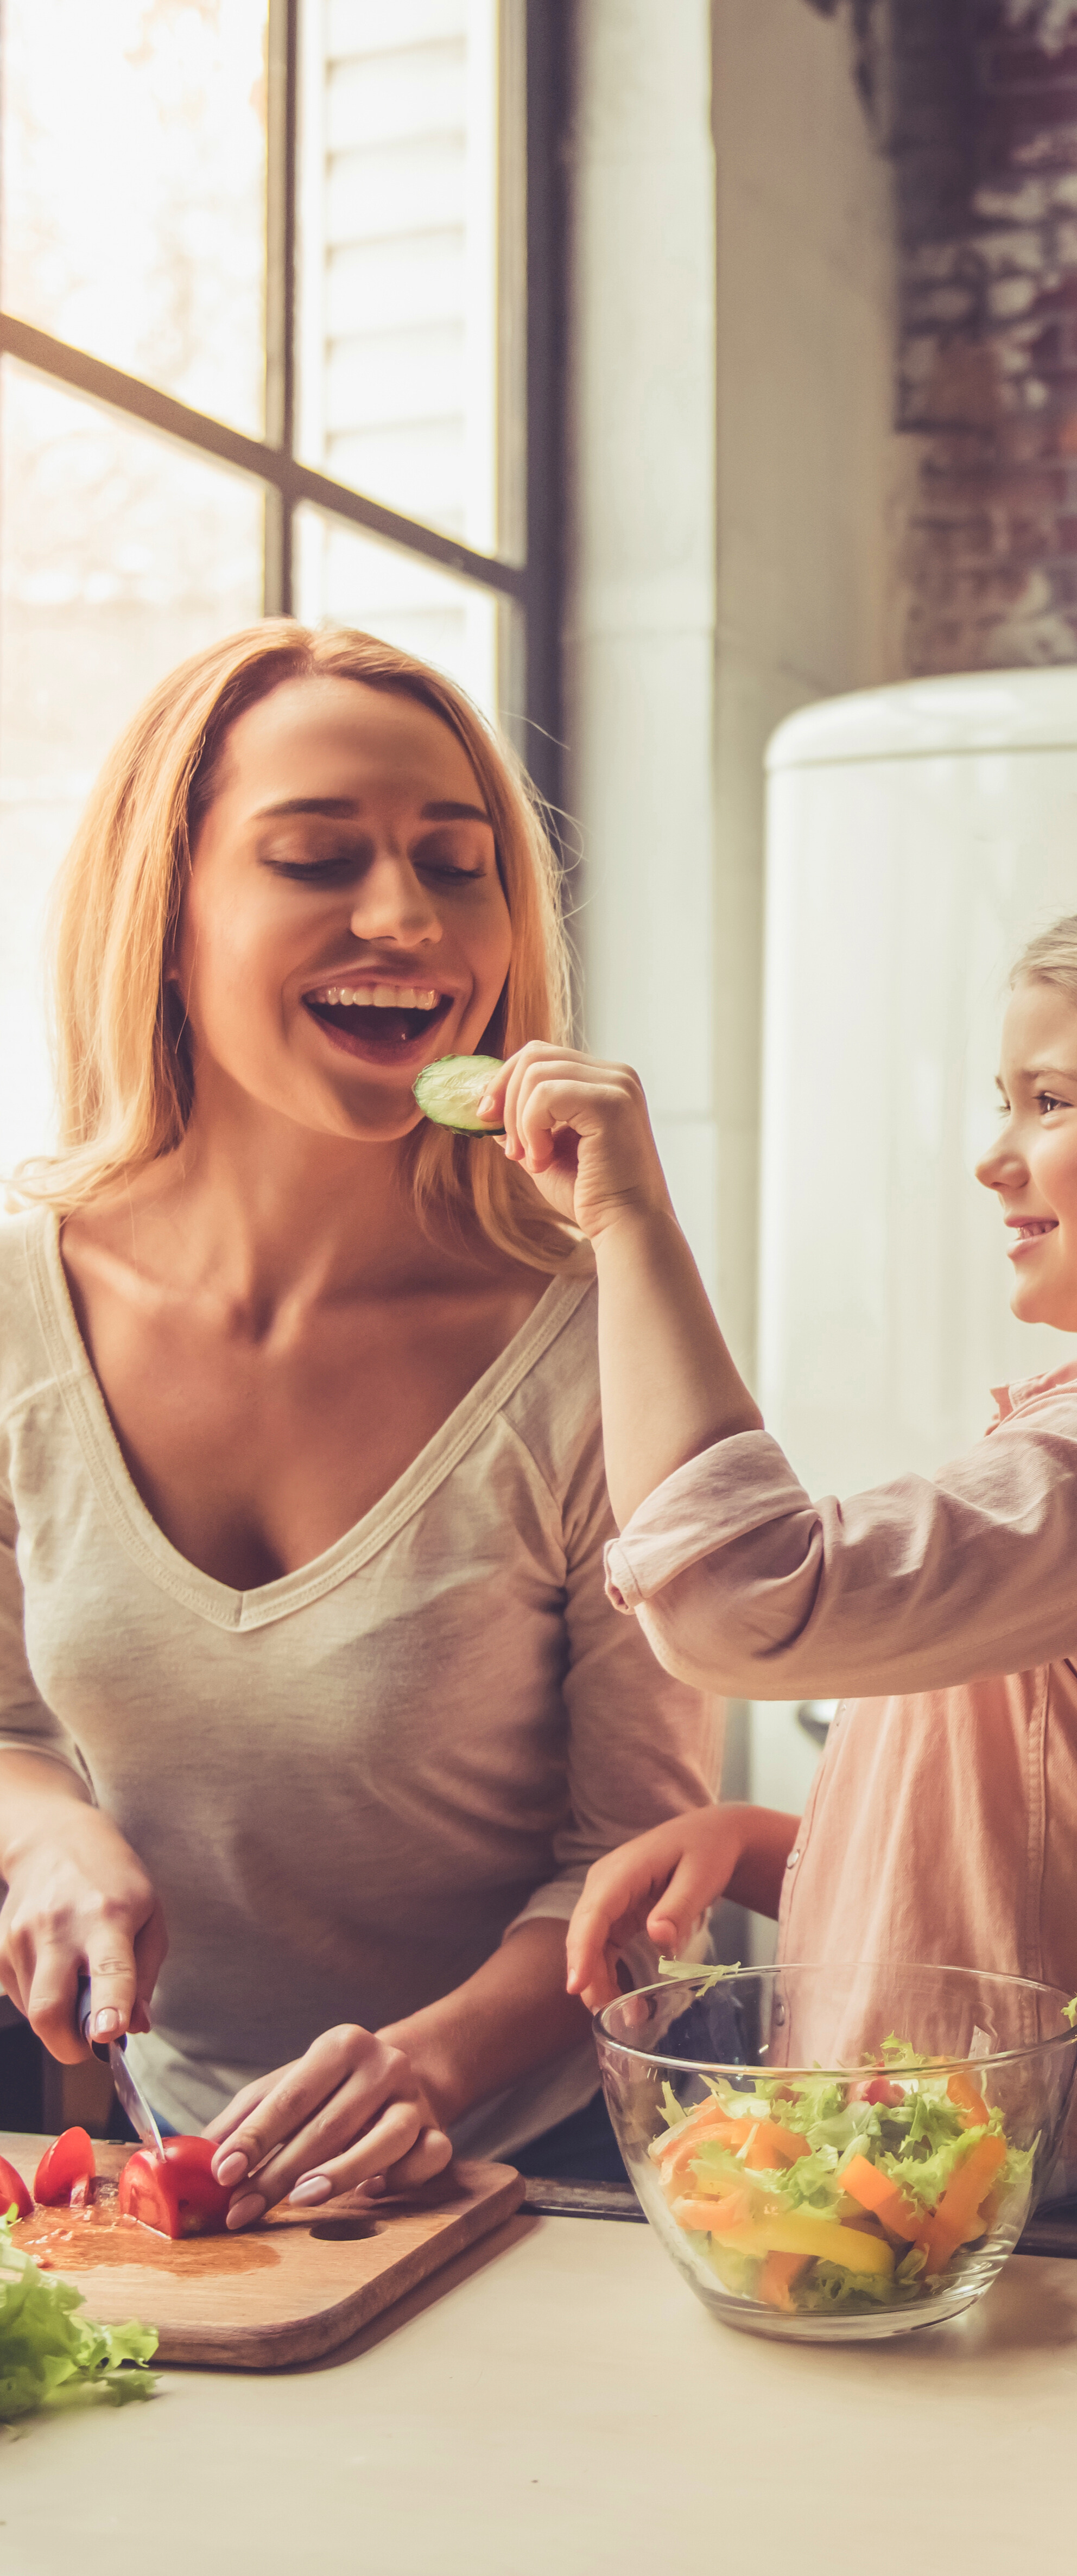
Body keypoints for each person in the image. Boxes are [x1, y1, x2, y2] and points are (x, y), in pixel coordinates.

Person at [537, 877, 1077, 2230]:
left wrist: (628, 1220)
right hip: (986, 2188)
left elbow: (740, 1601)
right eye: (1006, 1102)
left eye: (1050, 1104)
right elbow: (1009, 1848)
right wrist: (771, 1848)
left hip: (1074, 2209)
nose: (997, 1156)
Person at [0, 623, 717, 2222]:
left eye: (459, 869)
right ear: (166, 919)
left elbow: (637, 1865)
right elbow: (5, 1735)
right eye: (316, 857)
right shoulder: (13, 1311)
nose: (406, 920)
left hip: (556, 2187)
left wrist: (433, 2066)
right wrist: (44, 1834)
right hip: (177, 2172)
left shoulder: (596, 1335)